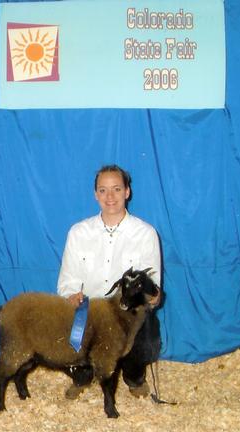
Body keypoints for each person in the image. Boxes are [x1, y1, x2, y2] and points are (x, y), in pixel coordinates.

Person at [57, 164, 162, 398]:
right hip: (90, 309)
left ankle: (134, 377)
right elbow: (67, 281)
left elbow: (152, 287)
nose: (110, 197)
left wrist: (153, 297)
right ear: (95, 194)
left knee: (146, 332)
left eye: (116, 189)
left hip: (127, 313)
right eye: (103, 190)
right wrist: (72, 296)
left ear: (127, 192)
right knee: (62, 326)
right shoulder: (78, 232)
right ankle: (81, 374)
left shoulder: (145, 233)